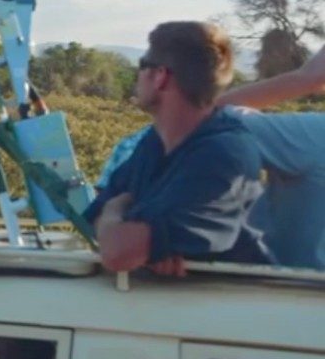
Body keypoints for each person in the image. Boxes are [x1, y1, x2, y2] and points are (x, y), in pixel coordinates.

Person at [96, 45, 325, 270]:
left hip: (264, 290)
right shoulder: (313, 136)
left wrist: (160, 232)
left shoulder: (313, 137)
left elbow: (201, 121)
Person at [83, 21, 272, 273]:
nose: (137, 76)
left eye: (142, 65)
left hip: (240, 304)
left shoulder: (222, 155)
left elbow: (118, 252)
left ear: (160, 76)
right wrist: (134, 237)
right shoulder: (156, 142)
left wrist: (114, 213)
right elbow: (96, 219)